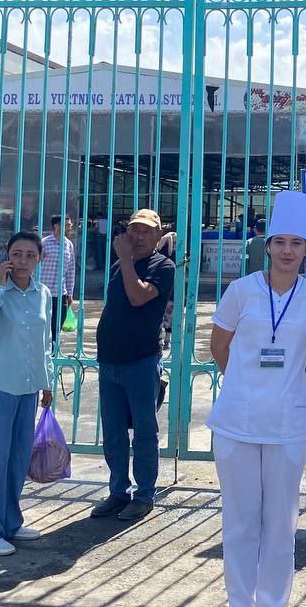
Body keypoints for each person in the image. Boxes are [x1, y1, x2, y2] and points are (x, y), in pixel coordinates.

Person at [207, 191, 306, 607]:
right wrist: (247, 382)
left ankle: (273, 600)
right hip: (236, 422)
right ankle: (241, 600)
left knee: (281, 524)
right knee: (240, 522)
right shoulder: (241, 291)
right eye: (280, 242)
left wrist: (284, 384)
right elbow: (219, 346)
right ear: (268, 246)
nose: (287, 251)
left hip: (286, 424)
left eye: (296, 243)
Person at [0, 231, 54, 556]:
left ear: (39, 260)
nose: (22, 261)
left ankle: (10, 523)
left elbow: (45, 342)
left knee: (17, 459)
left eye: (30, 255)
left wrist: (47, 381)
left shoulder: (43, 293)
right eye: (17, 254)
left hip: (28, 387)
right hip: (0, 385)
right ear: (7, 256)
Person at [91, 208, 177, 522]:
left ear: (157, 236)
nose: (138, 237)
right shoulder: (119, 265)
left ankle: (143, 495)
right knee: (113, 432)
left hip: (141, 361)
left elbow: (139, 297)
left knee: (144, 431)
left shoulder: (162, 266)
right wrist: (124, 262)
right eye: (134, 230)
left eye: (146, 231)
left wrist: (126, 261)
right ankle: (118, 492)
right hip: (110, 360)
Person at [39, 215, 76, 344]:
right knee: (43, 324)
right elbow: (36, 265)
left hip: (60, 292)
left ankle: (53, 350)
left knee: (57, 324)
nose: (70, 227)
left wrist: (70, 293)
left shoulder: (69, 245)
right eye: (67, 224)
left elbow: (70, 270)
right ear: (56, 226)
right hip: (43, 291)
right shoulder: (44, 243)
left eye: (70, 224)